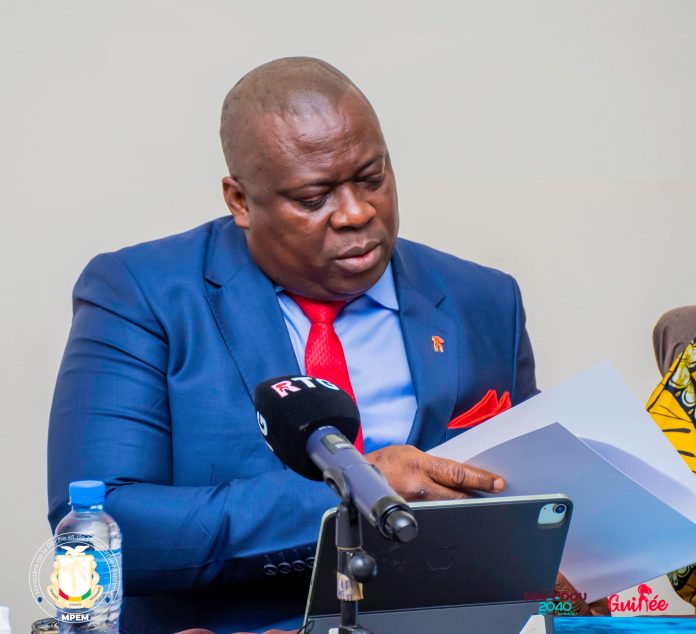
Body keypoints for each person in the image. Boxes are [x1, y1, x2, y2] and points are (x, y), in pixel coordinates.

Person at [48, 57, 539, 633]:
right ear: (240, 201)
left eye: (372, 178)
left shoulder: (483, 300)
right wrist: (358, 492)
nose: (356, 212)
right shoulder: (142, 294)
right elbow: (101, 527)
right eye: (313, 197)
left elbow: (530, 493)